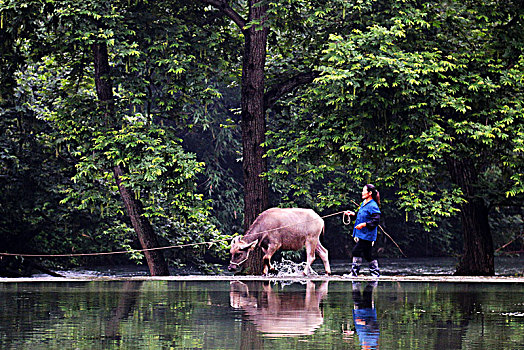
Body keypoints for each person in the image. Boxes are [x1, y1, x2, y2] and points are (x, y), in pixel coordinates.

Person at [345, 184, 381, 277]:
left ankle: (354, 273)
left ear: (369, 193)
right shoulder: (364, 203)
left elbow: (376, 220)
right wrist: (352, 214)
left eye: (364, 191)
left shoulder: (373, 205)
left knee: (356, 251)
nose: (362, 192)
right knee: (367, 255)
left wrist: (364, 224)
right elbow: (361, 216)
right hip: (362, 234)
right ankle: (375, 274)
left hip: (367, 235)